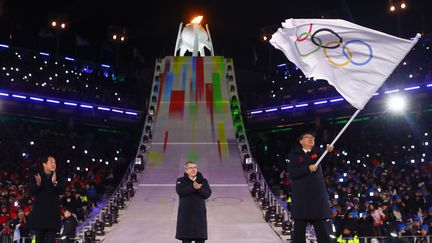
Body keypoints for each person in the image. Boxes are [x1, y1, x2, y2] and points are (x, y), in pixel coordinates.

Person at [287, 132, 334, 243]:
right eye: (307, 137)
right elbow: (293, 173)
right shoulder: (294, 155)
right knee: (299, 236)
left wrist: (329, 151)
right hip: (302, 199)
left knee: (324, 235)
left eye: (312, 138)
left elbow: (327, 160)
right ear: (300, 141)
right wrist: (307, 169)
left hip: (317, 199)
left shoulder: (318, 153)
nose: (310, 139)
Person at [27, 156, 65, 243]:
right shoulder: (37, 176)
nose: (53, 164)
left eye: (54, 162)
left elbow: (62, 191)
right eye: (51, 162)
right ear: (44, 164)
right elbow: (31, 191)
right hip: (40, 217)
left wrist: (55, 183)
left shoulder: (59, 177)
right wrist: (38, 184)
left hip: (53, 218)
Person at [175, 161, 212, 243]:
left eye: (195, 167)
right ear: (186, 170)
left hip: (199, 217)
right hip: (186, 218)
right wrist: (193, 187)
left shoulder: (203, 181)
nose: (193, 169)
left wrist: (199, 188)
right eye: (190, 168)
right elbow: (181, 192)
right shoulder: (180, 180)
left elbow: (207, 194)